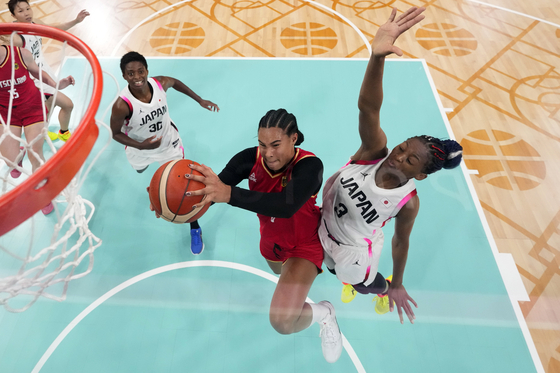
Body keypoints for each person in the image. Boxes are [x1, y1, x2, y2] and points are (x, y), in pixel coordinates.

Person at [318, 6, 464, 324]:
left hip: (356, 252)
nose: (397, 156)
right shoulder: (373, 151)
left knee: (361, 283)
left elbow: (400, 241)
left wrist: (396, 284)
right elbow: (368, 107)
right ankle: (350, 281)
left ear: (420, 175)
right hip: (322, 227)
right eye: (401, 148)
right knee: (331, 271)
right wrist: (377, 56)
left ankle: (378, 291)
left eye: (409, 159)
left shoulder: (408, 203)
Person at [184, 109, 343, 363]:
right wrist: (177, 209)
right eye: (262, 144)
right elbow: (214, 191)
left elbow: (286, 205)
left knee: (282, 322)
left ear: (294, 138)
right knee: (277, 272)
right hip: (270, 241)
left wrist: (230, 195)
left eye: (276, 145)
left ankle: (325, 313)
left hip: (305, 244)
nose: (268, 153)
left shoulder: (310, 166)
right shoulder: (249, 160)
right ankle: (294, 284)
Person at [111, 51, 219, 255]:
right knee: (141, 171)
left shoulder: (159, 84)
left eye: (140, 71)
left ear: (147, 71)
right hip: (141, 148)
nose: (137, 77)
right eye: (131, 73)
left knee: (187, 188)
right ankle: (152, 176)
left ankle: (195, 228)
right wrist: (142, 146)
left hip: (169, 144)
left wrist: (199, 100)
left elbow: (175, 82)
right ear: (124, 76)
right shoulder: (122, 105)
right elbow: (115, 133)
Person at [0, 44, 75, 214]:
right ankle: (18, 154)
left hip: (33, 107)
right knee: (11, 162)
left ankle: (42, 196)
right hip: (7, 113)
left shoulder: (20, 54)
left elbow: (38, 73)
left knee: (36, 153)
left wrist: (57, 84)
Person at [3, 0, 89, 142]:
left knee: (50, 105)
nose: (26, 13)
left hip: (45, 71)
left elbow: (55, 29)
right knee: (68, 104)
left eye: (28, 9)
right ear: (13, 15)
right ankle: (60, 132)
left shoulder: (35, 22)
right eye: (21, 11)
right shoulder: (16, 38)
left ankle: (43, 132)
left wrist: (76, 21)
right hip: (34, 79)